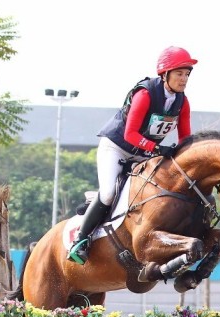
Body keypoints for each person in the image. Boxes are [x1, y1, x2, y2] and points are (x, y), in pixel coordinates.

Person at [67, 46, 197, 264]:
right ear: (165, 74)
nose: (184, 79)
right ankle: (80, 241)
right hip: (116, 147)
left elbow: (185, 138)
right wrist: (156, 149)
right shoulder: (145, 93)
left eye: (187, 74)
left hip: (142, 154)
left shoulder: (182, 102)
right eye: (179, 74)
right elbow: (130, 133)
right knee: (108, 194)